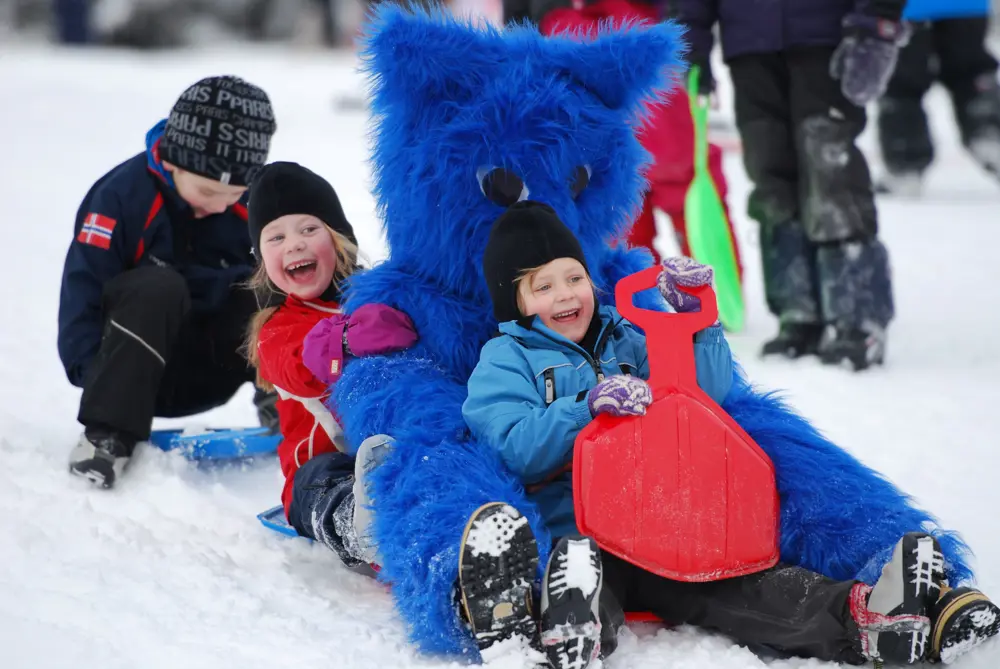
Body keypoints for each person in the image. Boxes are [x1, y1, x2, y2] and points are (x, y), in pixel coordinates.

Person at [458, 201, 997, 668]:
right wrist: (586, 406)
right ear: (516, 302)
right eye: (543, 286)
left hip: (668, 517)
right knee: (588, 575)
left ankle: (867, 616)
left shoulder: (626, 337)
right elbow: (515, 447)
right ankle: (564, 626)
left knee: (747, 584)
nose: (565, 295)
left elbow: (706, 397)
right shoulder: (505, 361)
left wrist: (698, 325)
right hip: (587, 530)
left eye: (574, 277)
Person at [60, 75, 279, 488]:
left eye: (233, 195)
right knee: (158, 286)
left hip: (217, 363)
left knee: (274, 273)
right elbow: (83, 288)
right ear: (174, 160)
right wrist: (98, 377)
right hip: (129, 368)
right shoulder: (120, 198)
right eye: (207, 191)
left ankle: (286, 402)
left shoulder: (255, 203)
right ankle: (106, 437)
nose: (220, 204)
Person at [673, 0, 908, 369]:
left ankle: (858, 313)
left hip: (826, 35)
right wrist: (691, 43)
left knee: (831, 168)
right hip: (749, 43)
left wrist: (877, 20)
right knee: (770, 171)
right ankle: (798, 311)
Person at [245, 161, 418, 568]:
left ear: (340, 240)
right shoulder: (276, 328)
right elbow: (299, 370)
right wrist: (344, 339)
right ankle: (356, 523)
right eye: (276, 237)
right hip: (324, 467)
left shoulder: (377, 297)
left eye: (309, 229)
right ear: (262, 261)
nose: (294, 245)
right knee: (319, 483)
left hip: (397, 449)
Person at [876, 0, 1000, 194]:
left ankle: (905, 161)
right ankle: (988, 130)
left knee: (901, 85)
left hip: (902, 8)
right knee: (971, 74)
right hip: (966, 6)